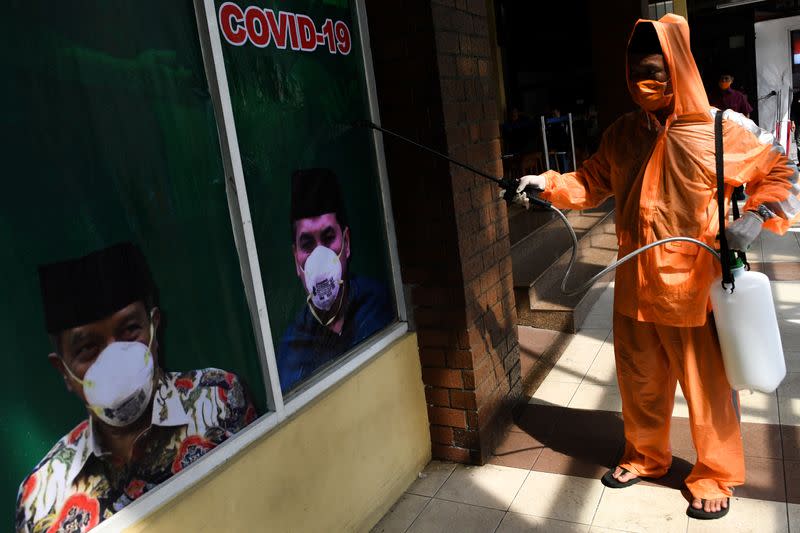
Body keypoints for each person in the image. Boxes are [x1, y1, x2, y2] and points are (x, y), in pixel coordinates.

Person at [514, 15, 800, 520]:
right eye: (634, 72)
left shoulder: (720, 129)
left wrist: (756, 215)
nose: (643, 82)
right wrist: (548, 184)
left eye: (654, 71)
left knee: (707, 390)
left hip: (696, 289)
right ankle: (645, 456)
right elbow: (590, 181)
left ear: (679, 67)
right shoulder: (624, 132)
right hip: (635, 286)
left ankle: (714, 474)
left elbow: (783, 169)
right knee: (640, 383)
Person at [16, 243, 257, 533]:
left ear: (154, 329)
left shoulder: (219, 400)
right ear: (64, 371)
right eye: (88, 348)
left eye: (130, 330)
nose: (115, 361)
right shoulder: (42, 500)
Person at [277, 168, 394, 393]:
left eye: (329, 238)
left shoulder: (381, 304)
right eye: (307, 244)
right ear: (296, 260)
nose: (319, 258)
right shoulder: (291, 354)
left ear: (346, 243)